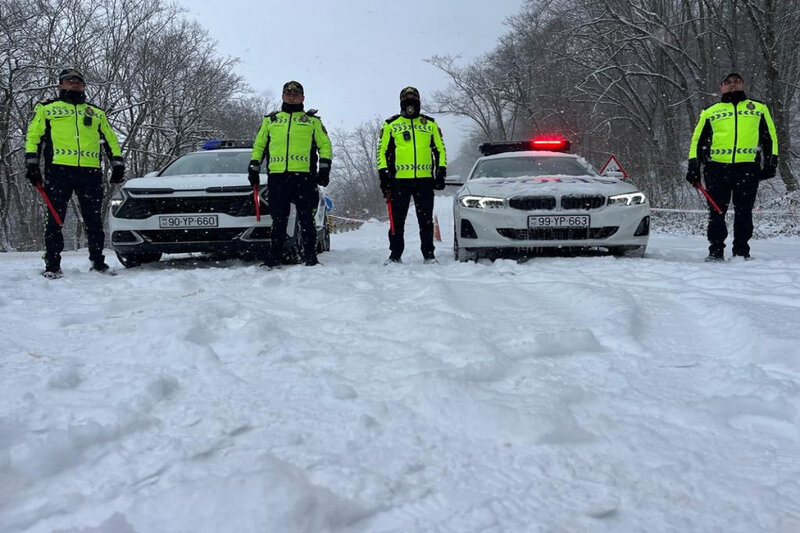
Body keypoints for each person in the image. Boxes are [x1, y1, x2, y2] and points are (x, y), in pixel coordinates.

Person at [25, 68, 125, 278]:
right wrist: (32, 165)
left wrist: (117, 164)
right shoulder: (47, 108)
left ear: (84, 86)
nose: (74, 84)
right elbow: (33, 136)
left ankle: (98, 262)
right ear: (60, 85)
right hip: (58, 170)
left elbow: (111, 139)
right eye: (69, 81)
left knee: (94, 220)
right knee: (55, 219)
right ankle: (52, 265)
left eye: (78, 81)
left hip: (90, 172)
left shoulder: (96, 112)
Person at [686, 72, 778, 261]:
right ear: (721, 87)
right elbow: (696, 140)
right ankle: (716, 251)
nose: (732, 85)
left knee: (744, 212)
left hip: (747, 168)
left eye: (737, 81)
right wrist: (693, 167)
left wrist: (770, 163)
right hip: (716, 169)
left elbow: (770, 136)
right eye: (727, 82)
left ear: (743, 85)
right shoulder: (710, 111)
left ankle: (742, 252)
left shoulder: (759, 108)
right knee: (717, 212)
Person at [249, 80, 332, 267]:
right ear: (282, 96)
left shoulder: (312, 121)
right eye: (288, 94)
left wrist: (324, 168)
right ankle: (274, 258)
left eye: (296, 94)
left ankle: (310, 257)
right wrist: (254, 166)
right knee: (279, 220)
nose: (292, 97)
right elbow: (259, 145)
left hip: (304, 177)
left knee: (306, 218)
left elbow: (325, 145)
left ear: (303, 97)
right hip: (277, 177)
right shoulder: (271, 120)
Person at [377, 86, 447, 264]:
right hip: (399, 181)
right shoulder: (391, 124)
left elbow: (440, 149)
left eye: (413, 97)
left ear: (419, 100)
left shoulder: (429, 124)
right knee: (397, 221)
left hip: (424, 180)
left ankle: (429, 255)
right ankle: (395, 255)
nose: (410, 101)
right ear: (401, 101)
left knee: (425, 220)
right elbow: (382, 151)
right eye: (406, 98)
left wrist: (440, 172)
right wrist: (384, 175)